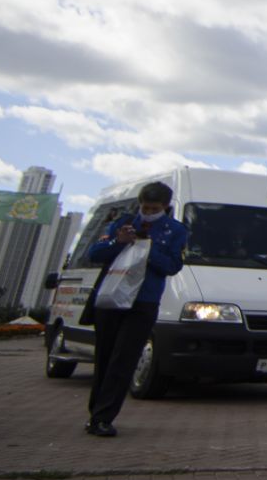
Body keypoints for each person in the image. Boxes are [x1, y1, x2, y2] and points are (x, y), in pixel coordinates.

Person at [79, 182, 188, 438]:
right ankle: (95, 412)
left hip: (143, 301)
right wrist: (119, 242)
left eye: (154, 208)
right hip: (113, 298)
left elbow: (173, 265)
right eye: (145, 207)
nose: (148, 212)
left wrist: (147, 248)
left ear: (165, 207)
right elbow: (94, 253)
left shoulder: (175, 231)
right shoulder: (123, 223)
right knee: (105, 356)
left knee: (124, 358)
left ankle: (104, 417)